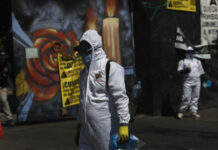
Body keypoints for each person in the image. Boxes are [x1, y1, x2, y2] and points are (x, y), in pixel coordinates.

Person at [74, 30, 130, 150]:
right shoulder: (84, 73)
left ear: (95, 50)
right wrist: (79, 126)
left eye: (85, 52)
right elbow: (82, 101)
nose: (82, 55)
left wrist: (124, 123)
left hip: (107, 129)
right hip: (86, 130)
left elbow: (121, 98)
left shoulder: (110, 68)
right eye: (81, 52)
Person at [177, 47, 205, 119]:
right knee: (186, 97)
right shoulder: (182, 61)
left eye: (192, 52)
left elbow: (201, 71)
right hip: (187, 82)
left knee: (195, 97)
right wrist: (184, 71)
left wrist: (204, 80)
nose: (190, 53)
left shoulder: (198, 61)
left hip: (197, 81)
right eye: (189, 52)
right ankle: (181, 111)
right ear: (186, 53)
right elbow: (179, 71)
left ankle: (194, 112)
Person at [0, 51, 15, 126]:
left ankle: (9, 118)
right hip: (2, 84)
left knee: (4, 100)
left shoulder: (7, 65)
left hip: (2, 85)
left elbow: (9, 72)